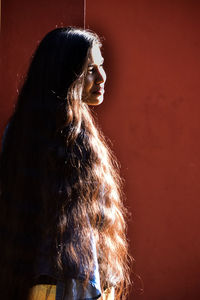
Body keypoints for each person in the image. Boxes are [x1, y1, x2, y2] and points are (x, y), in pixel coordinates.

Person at [0, 27, 131, 300]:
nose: (102, 78)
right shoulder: (69, 134)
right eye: (90, 70)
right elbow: (77, 233)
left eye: (101, 66)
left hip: (34, 282)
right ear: (65, 76)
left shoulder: (20, 130)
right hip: (69, 287)